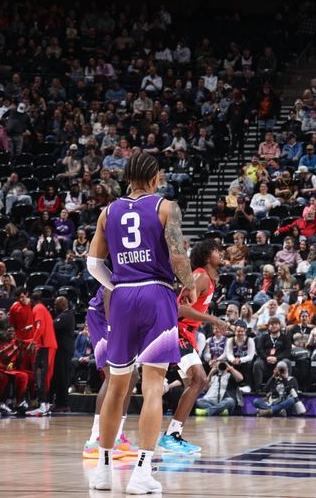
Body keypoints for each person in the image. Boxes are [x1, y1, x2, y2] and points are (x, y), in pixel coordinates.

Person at [87, 153, 196, 494]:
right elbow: (178, 255)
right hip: (156, 295)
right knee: (152, 386)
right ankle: (141, 473)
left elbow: (93, 263)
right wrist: (189, 285)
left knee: (117, 387)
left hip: (121, 298)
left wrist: (117, 286)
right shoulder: (166, 207)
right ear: (155, 177)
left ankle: (103, 472)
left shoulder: (108, 211)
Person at [159, 239, 229, 454]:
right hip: (177, 330)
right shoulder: (200, 276)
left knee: (193, 382)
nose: (222, 253)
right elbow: (179, 308)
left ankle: (173, 432)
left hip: (186, 332)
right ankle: (171, 435)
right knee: (199, 379)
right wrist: (214, 320)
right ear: (208, 256)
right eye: (217, 251)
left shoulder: (209, 278)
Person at [82, 287, 139, 460]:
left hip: (119, 319)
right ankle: (95, 439)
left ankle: (116, 434)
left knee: (132, 374)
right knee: (112, 374)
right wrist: (111, 324)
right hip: (102, 317)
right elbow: (108, 292)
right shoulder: (126, 265)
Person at [51, 297, 75, 411]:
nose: (54, 307)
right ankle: (60, 403)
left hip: (64, 350)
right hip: (63, 350)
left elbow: (53, 325)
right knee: (60, 376)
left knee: (62, 376)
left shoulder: (66, 316)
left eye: (56, 304)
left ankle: (63, 404)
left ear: (62, 304)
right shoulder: (66, 315)